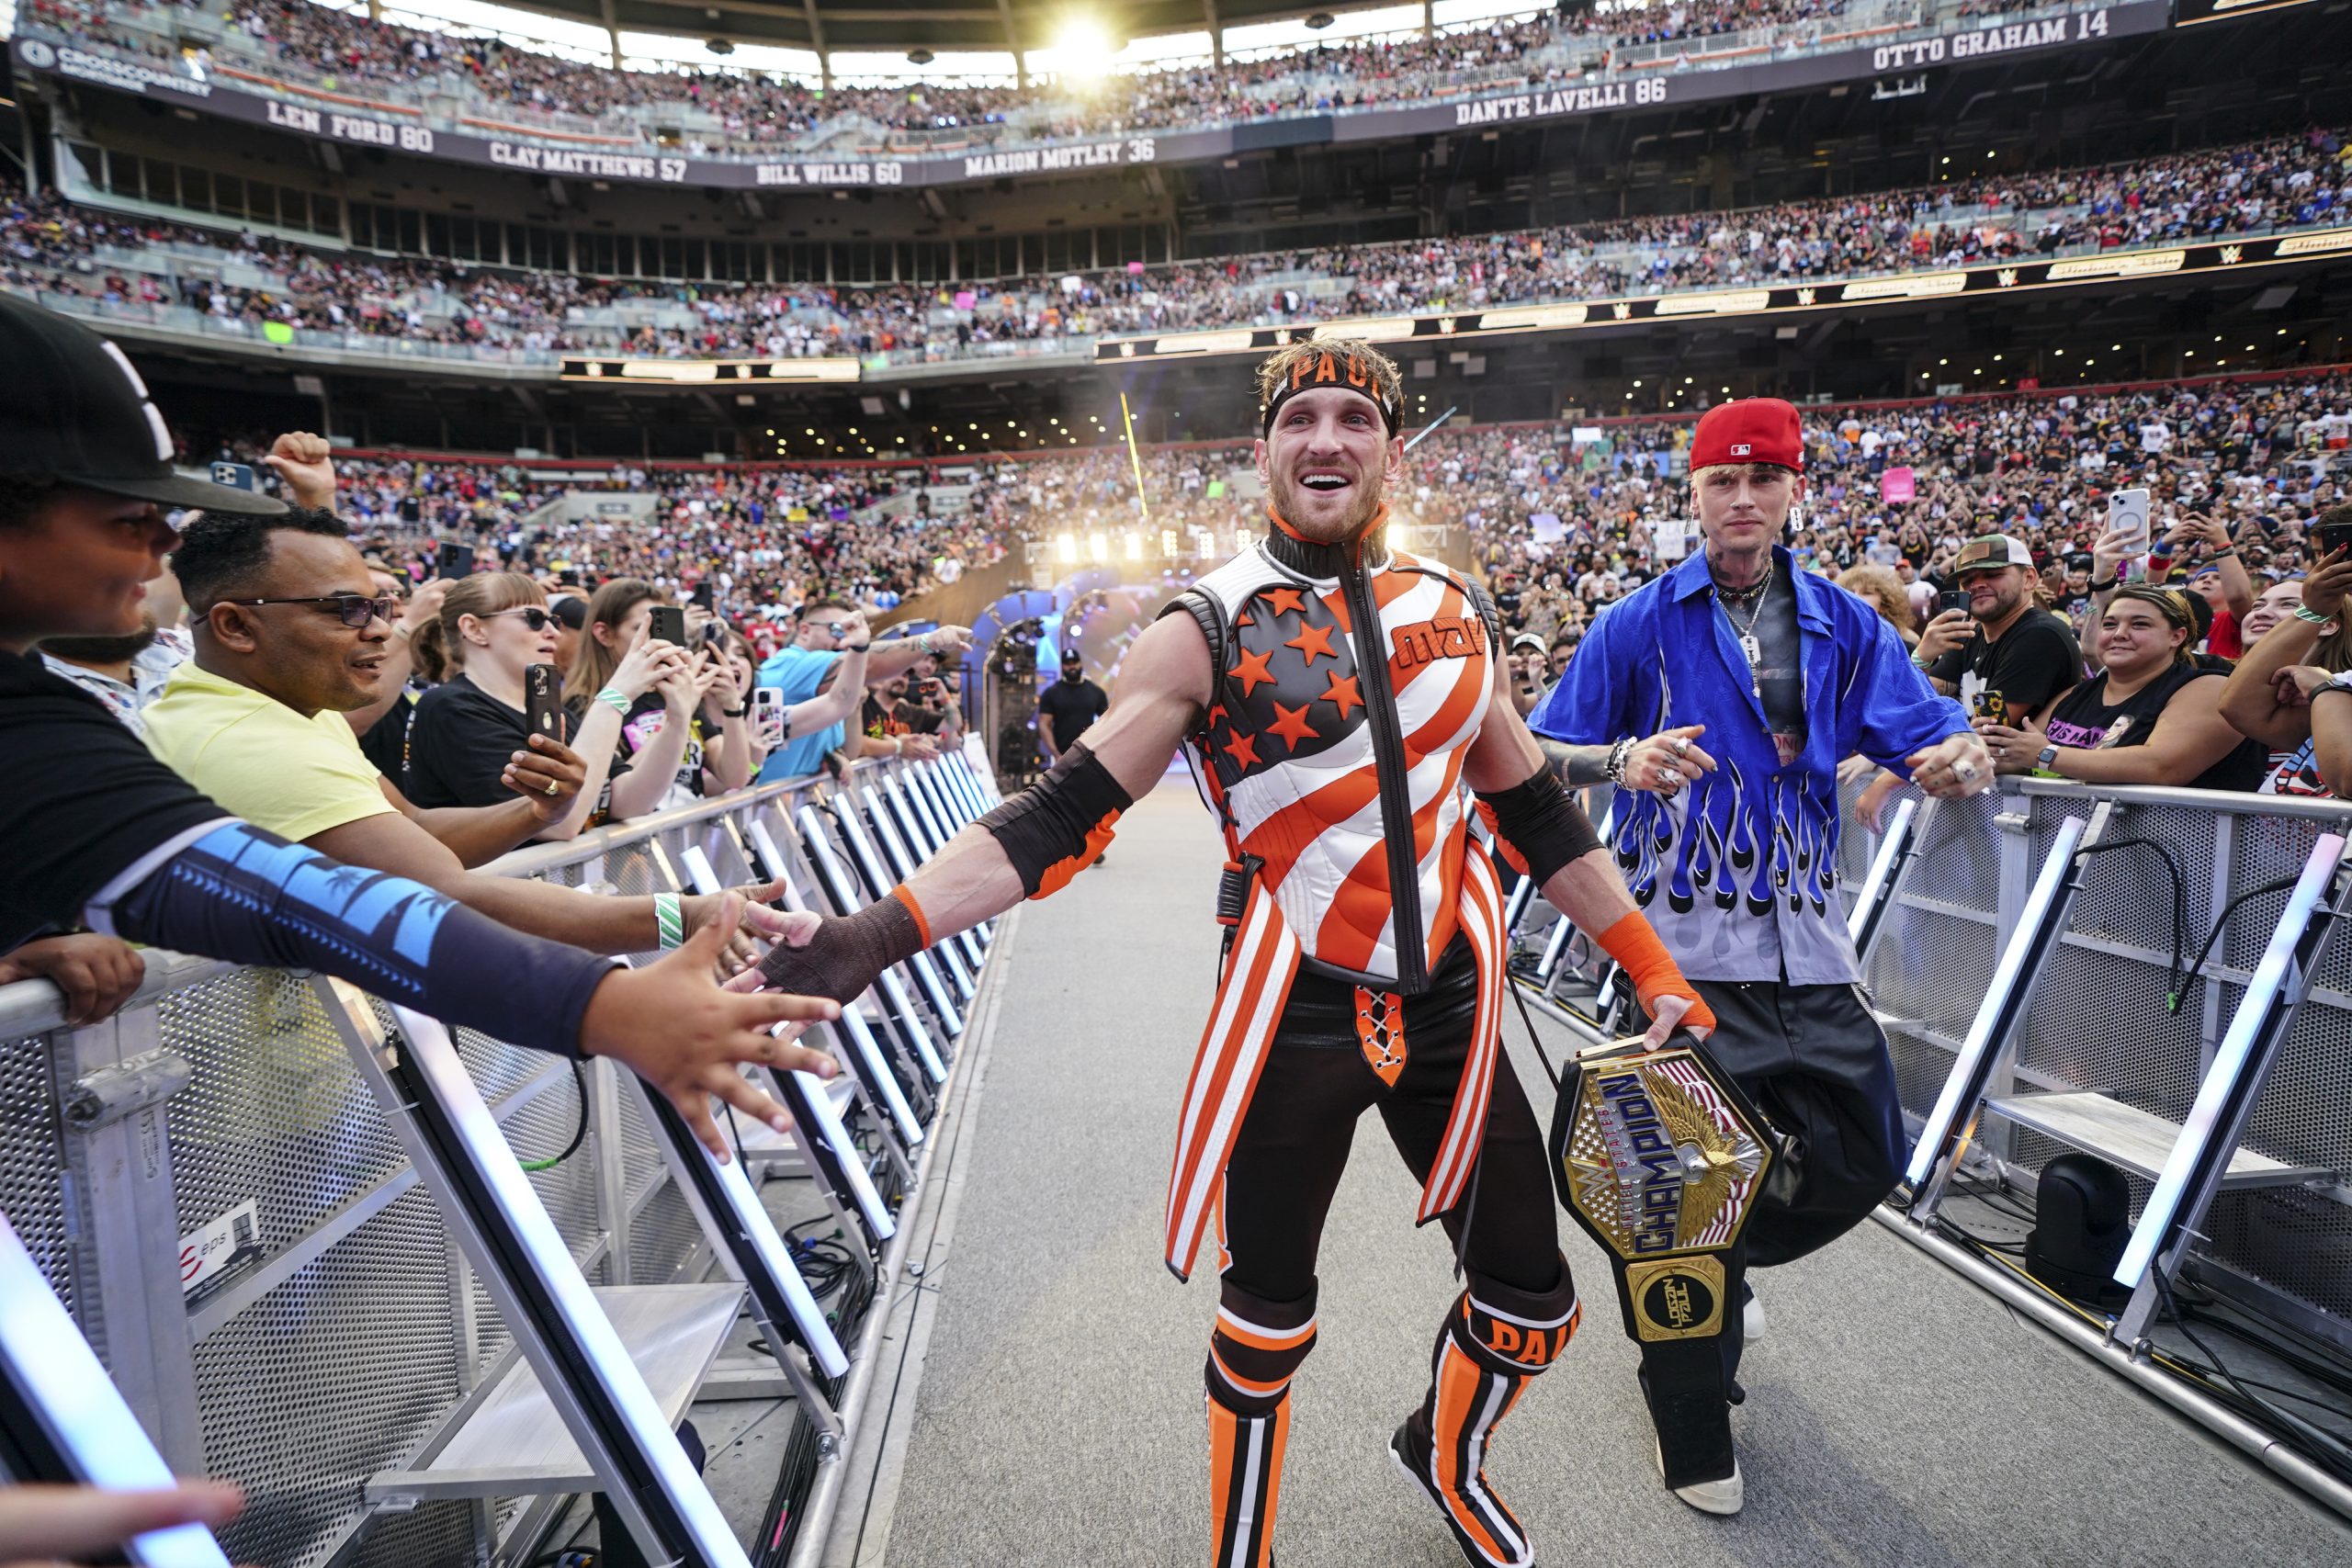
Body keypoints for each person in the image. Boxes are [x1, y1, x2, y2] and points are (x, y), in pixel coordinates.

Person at [737, 339, 1713, 1568]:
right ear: (1262, 452)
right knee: (1265, 1316)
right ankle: (1238, 1551)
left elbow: (1534, 812)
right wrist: (871, 935)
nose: (1326, 439)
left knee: (1535, 1300)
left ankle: (1448, 1454)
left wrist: (1652, 962)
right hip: (1292, 1004)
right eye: (1300, 416)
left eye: (1354, 417)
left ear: (1390, 449)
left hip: (1457, 1005)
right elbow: (1060, 813)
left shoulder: (1456, 612)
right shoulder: (1205, 622)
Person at [0, 290, 841, 1157]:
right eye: (126, 515)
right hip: (231, 1128)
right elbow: (301, 892)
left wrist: (528, 816)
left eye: (381, 606)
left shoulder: (257, 710)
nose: (161, 546)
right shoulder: (226, 734)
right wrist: (612, 996)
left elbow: (410, 841)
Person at [1533, 396, 1990, 1517]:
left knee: (1867, 1150)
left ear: (1792, 493)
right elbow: (1536, 752)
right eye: (1720, 483)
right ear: (1691, 495)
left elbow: (1926, 729)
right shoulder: (1635, 623)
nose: (1741, 501)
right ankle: (1689, 1417)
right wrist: (1619, 759)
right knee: (1672, 1192)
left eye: (1763, 482)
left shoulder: (1844, 622)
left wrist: (1962, 751)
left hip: (1808, 946)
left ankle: (1714, 1271)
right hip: (1680, 950)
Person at [1978, 586, 2268, 790]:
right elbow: (2023, 757)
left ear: (2176, 636)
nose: (2119, 634)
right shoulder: (2075, 694)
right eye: (2109, 624)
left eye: (2139, 625)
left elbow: (2160, 767)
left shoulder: (2207, 688)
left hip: (2177, 858)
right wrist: (1991, 749)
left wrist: (2048, 754)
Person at [753, 602, 971, 783]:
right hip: (754, 810)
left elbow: (851, 750)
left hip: (785, 810)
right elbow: (870, 664)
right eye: (837, 630)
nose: (843, 640)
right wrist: (928, 642)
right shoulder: (791, 664)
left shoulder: (830, 691)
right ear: (805, 630)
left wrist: (834, 755)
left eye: (850, 631)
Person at [2219, 540, 2352, 796]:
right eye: (2257, 605)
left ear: (2330, 624)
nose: (2262, 613)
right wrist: (2314, 609)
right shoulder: (2339, 685)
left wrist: (2324, 689)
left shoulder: (2331, 688)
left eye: (2289, 605)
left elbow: (2347, 779)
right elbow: (2238, 707)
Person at [1035, 647, 1107, 766]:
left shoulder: (1096, 691)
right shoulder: (1051, 693)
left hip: (1090, 754)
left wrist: (1101, 749)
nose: (1072, 666)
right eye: (1068, 664)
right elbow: (1044, 724)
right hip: (1061, 756)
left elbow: (1106, 721)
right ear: (1062, 666)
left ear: (1080, 663)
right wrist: (1056, 754)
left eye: (1075, 662)